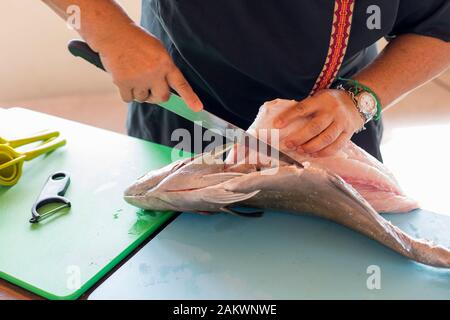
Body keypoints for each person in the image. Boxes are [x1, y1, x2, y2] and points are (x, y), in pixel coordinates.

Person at [43, 0, 450, 161]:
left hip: (335, 131)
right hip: (183, 117)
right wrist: (112, 33)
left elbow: (439, 26)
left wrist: (359, 99)